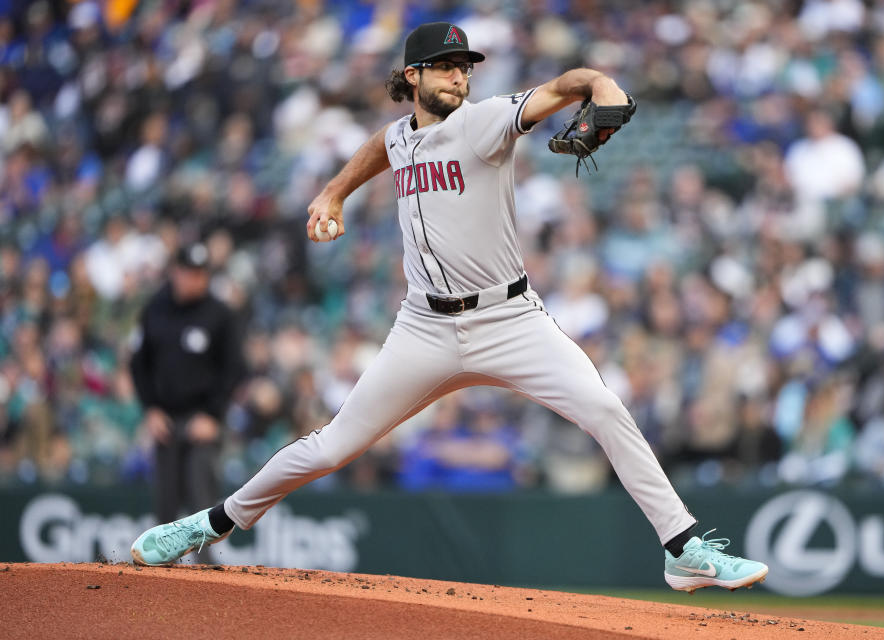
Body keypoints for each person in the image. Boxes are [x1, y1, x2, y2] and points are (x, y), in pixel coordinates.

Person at [131, 22, 768, 593]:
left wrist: (597, 81)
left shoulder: (484, 119)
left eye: (465, 66)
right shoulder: (401, 138)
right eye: (446, 65)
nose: (459, 75)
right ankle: (208, 524)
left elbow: (563, 86)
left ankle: (683, 548)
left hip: (509, 319)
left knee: (604, 407)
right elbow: (382, 147)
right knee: (329, 448)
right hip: (425, 327)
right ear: (413, 76)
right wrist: (332, 192)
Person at [129, 242, 245, 544]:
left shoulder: (219, 314)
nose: (196, 279)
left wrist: (213, 415)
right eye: (190, 272)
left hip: (202, 420)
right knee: (165, 504)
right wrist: (150, 409)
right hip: (164, 418)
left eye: (201, 273)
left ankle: (204, 577)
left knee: (202, 501)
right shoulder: (155, 309)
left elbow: (233, 370)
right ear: (175, 272)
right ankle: (163, 580)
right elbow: (138, 364)